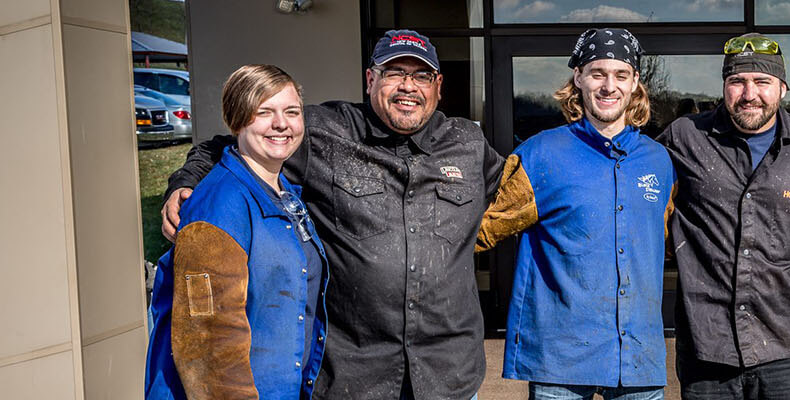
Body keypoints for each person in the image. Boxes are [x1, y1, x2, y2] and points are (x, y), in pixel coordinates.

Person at [160, 30, 504, 399]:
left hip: (449, 375)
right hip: (354, 376)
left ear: (437, 85)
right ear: (371, 79)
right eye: (394, 73)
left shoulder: (468, 143)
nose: (408, 86)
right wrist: (184, 184)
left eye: (420, 75)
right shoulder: (322, 132)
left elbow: (519, 193)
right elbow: (230, 146)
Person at [475, 28, 674, 400]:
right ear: (579, 79)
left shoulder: (659, 161)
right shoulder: (540, 155)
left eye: (620, 75)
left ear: (634, 84)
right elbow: (482, 230)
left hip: (638, 355)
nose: (608, 86)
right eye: (597, 73)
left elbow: (659, 235)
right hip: (560, 358)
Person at [657, 33, 790, 400]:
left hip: (784, 342)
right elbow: (635, 189)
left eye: (762, 82)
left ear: (783, 88)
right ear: (724, 87)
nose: (749, 93)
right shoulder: (685, 138)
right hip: (706, 345)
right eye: (737, 82)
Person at [145, 64, 328, 399]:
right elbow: (208, 346)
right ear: (237, 119)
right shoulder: (219, 206)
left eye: (292, 111)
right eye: (264, 112)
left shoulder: (282, 193)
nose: (281, 124)